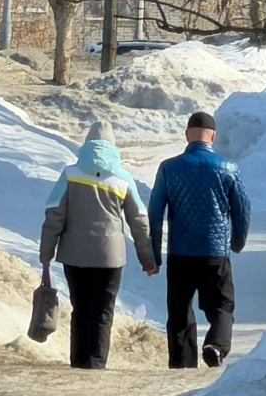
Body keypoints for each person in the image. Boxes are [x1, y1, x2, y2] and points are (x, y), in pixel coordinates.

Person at [40, 121, 159, 369]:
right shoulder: (123, 179)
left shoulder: (70, 174)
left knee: (80, 309)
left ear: (86, 145)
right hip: (110, 257)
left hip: (74, 255)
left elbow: (55, 214)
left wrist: (46, 253)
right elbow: (139, 221)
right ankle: (96, 363)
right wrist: (147, 258)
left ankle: (79, 361)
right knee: (103, 312)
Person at [148, 111, 251, 369]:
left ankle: (182, 367)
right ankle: (216, 344)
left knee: (180, 312)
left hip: (180, 253)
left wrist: (154, 253)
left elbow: (155, 211)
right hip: (215, 252)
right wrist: (237, 242)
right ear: (213, 136)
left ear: (186, 135)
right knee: (221, 306)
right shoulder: (228, 168)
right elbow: (242, 209)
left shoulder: (169, 168)